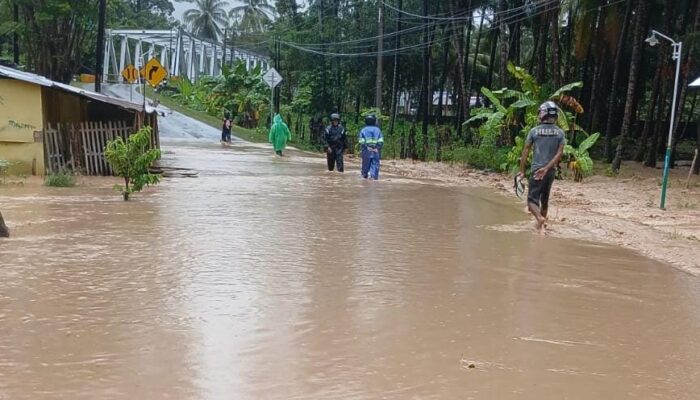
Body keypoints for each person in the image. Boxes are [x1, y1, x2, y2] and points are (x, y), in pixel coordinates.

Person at [518, 101, 565, 234]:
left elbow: (526, 150)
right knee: (545, 200)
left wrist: (521, 171)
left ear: (542, 114)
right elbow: (559, 153)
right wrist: (547, 168)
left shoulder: (534, 131)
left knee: (531, 201)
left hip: (536, 170)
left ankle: (539, 218)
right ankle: (541, 228)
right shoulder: (560, 133)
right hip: (550, 172)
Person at [359, 114, 384, 180]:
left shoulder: (363, 130)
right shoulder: (378, 130)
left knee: (365, 164)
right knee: (375, 164)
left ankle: (364, 176)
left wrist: (366, 147)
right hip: (376, 150)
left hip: (366, 150)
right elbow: (381, 140)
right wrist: (377, 148)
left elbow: (361, 141)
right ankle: (373, 177)